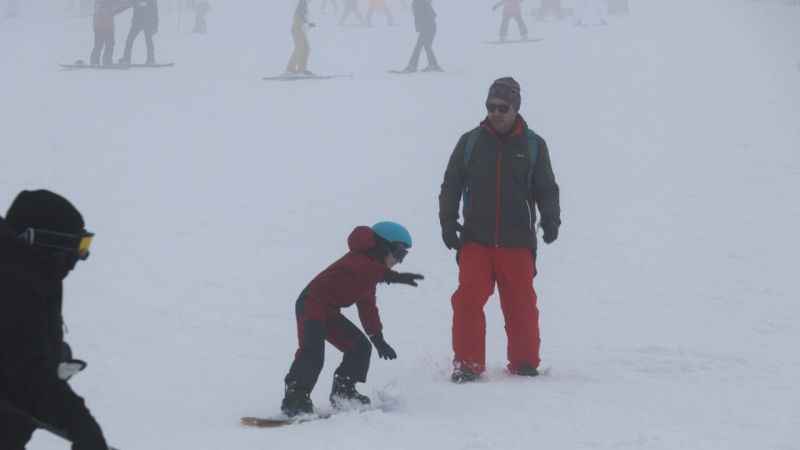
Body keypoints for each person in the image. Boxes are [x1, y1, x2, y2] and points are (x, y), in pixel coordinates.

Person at [438, 78, 561, 383]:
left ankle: (524, 363)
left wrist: (551, 219)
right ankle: (467, 364)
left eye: (502, 108)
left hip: (517, 242)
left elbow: (546, 188)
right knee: (467, 300)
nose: (495, 113)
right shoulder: (470, 142)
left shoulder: (533, 145)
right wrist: (447, 222)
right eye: (490, 107)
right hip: (475, 240)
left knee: (521, 304)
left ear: (515, 108)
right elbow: (451, 184)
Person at [0, 190, 109, 450]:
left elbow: (24, 362)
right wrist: (83, 427)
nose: (79, 258)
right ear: (48, 243)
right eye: (78, 246)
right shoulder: (17, 283)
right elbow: (29, 378)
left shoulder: (34, 275)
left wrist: (54, 356)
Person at [280, 222, 424, 417]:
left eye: (404, 256)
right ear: (384, 246)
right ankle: (295, 398)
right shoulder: (357, 260)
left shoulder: (371, 274)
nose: (399, 261)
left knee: (360, 347)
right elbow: (366, 269)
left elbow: (367, 307)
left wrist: (378, 338)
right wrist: (394, 277)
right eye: (399, 253)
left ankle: (344, 392)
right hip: (311, 305)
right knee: (312, 353)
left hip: (328, 312)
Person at [400, 0, 441, 73]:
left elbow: (424, 15)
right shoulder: (421, 2)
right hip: (429, 26)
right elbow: (432, 15)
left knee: (420, 47)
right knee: (426, 47)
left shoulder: (419, 2)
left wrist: (421, 26)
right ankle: (432, 64)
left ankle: (412, 66)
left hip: (427, 27)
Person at [90, 0, 131, 66]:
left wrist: (127, 5)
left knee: (110, 44)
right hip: (99, 26)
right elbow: (101, 10)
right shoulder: (100, 2)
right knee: (99, 44)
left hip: (108, 26)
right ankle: (95, 61)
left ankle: (107, 60)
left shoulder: (110, 2)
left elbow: (117, 7)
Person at [120, 0, 159, 65]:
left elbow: (155, 11)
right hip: (137, 22)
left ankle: (151, 60)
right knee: (130, 40)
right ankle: (126, 59)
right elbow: (130, 3)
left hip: (147, 22)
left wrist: (155, 25)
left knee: (148, 41)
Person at [285, 0, 316, 76]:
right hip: (297, 29)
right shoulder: (302, 4)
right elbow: (298, 17)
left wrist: (308, 24)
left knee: (301, 48)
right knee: (303, 48)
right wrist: (305, 23)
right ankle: (298, 69)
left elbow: (301, 17)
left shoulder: (303, 5)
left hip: (298, 29)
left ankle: (293, 69)